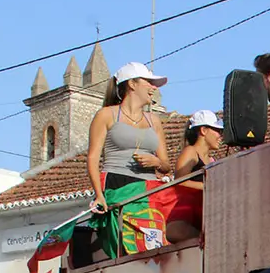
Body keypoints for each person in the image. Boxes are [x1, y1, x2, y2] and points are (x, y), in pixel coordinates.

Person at [86, 62, 174, 256]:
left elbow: (166, 165)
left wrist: (157, 163)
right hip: (117, 184)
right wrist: (99, 195)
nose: (154, 88)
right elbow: (93, 158)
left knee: (154, 243)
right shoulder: (107, 115)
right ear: (132, 84)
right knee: (127, 245)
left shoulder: (155, 120)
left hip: (150, 189)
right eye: (149, 82)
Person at [165, 110, 224, 243]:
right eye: (217, 130)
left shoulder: (212, 160)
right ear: (203, 130)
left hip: (204, 213)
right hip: (186, 214)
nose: (220, 136)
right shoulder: (190, 151)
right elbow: (179, 182)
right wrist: (207, 187)